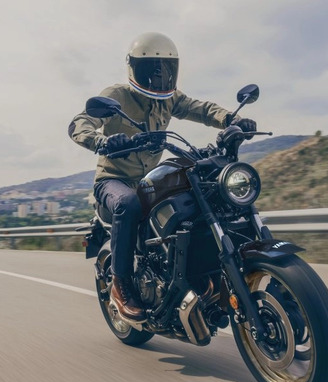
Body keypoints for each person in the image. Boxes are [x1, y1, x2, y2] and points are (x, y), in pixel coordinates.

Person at [68, 32, 256, 323]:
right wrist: (100, 141)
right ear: (134, 68)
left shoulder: (169, 100)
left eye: (165, 69)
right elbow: (81, 122)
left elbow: (200, 108)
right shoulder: (117, 96)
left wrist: (230, 119)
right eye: (152, 69)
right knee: (128, 203)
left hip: (148, 180)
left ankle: (203, 274)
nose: (159, 76)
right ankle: (121, 285)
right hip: (114, 181)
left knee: (197, 192)